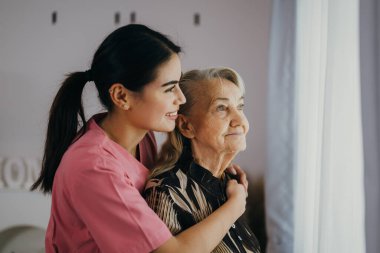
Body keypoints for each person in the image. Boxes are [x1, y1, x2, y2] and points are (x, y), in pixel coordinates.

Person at [31, 24, 248, 253]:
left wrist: (217, 170)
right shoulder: (94, 166)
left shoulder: (140, 137)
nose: (181, 98)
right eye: (169, 88)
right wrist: (235, 205)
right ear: (121, 96)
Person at [144, 67, 262, 253]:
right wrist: (236, 204)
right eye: (221, 108)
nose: (239, 119)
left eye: (240, 106)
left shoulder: (231, 184)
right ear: (186, 126)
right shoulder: (166, 192)